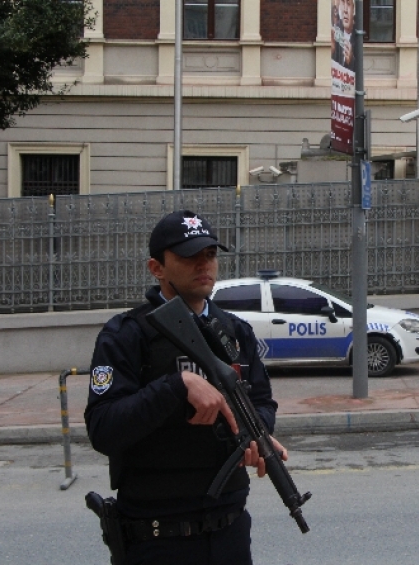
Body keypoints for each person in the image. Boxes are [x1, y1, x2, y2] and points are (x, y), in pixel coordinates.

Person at [85, 209, 287, 565]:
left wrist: (257, 433)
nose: (203, 265)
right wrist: (176, 385)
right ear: (157, 268)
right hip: (158, 537)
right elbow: (103, 428)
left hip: (228, 532)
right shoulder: (127, 335)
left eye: (209, 255)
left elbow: (262, 402)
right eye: (189, 256)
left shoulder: (235, 332)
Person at [331, 0, 354, 69]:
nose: (345, 10)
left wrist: (351, 61)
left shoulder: (358, 33)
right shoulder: (335, 31)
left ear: (354, 9)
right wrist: (332, 51)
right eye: (343, 3)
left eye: (349, 4)